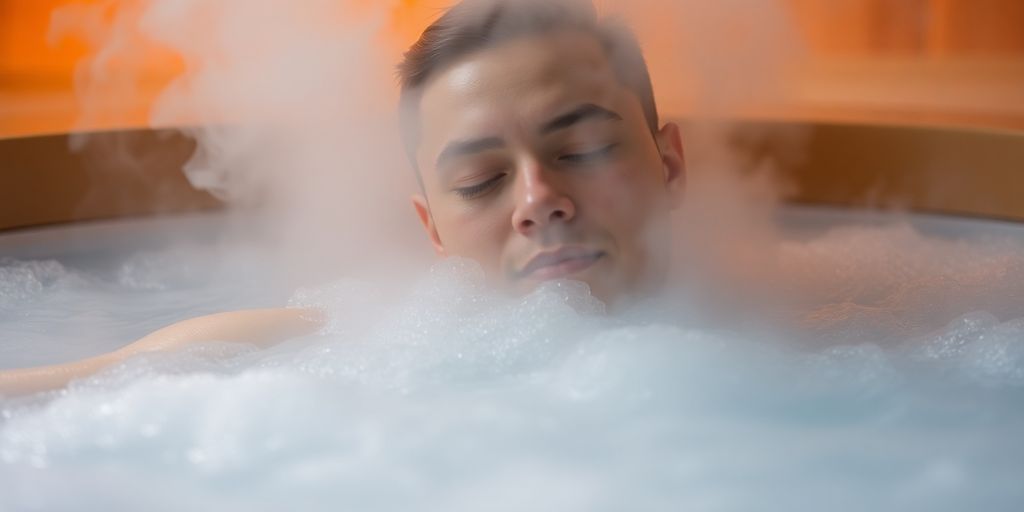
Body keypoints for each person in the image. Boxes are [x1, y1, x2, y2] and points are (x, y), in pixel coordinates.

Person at [0, 0, 684, 395]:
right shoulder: (359, 350)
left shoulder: (781, 325)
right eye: (480, 181)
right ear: (433, 231)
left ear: (670, 164)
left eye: (583, 149)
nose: (538, 199)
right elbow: (70, 385)